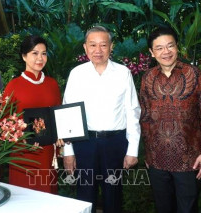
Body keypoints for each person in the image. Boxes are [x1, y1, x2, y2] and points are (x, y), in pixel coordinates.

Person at [139, 26, 201, 213]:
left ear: (177, 47)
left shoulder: (196, 75)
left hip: (189, 160)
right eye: (159, 48)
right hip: (157, 160)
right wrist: (148, 153)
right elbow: (144, 118)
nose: (166, 52)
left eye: (170, 46)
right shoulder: (147, 78)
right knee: (163, 208)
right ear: (152, 53)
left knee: (187, 209)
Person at [62, 25, 141, 213]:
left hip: (115, 143)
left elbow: (132, 111)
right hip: (84, 143)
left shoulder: (123, 73)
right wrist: (68, 151)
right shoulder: (77, 74)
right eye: (93, 45)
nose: (98, 50)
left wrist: (133, 149)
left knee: (113, 194)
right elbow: (67, 113)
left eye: (103, 45)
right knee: (84, 195)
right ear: (85, 48)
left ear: (111, 47)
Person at [3, 35, 61, 194]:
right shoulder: (13, 86)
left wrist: (62, 134)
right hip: (23, 153)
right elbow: (3, 121)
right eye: (35, 53)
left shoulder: (52, 84)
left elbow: (58, 116)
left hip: (47, 151)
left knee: (47, 196)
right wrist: (22, 137)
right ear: (24, 56)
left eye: (44, 53)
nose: (40, 58)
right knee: (24, 197)